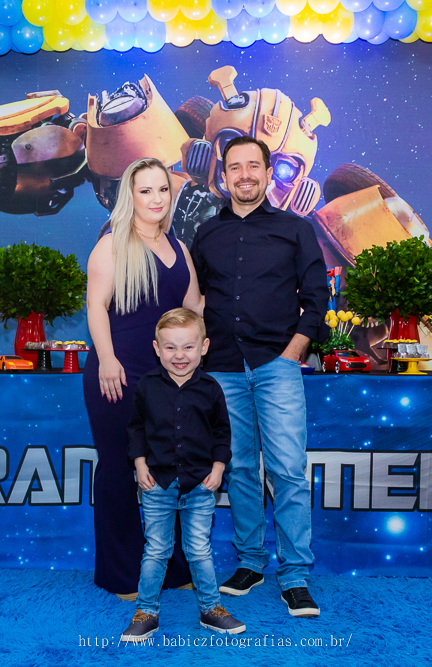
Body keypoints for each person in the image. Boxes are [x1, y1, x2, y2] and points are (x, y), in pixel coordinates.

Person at [189, 136, 329, 618]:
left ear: (269, 174)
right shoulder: (206, 235)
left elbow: (317, 298)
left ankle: (295, 575)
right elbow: (195, 301)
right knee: (242, 469)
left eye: (254, 166)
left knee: (288, 470)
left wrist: (293, 352)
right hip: (223, 368)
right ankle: (250, 562)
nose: (245, 175)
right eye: (235, 167)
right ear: (222, 176)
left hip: (278, 366)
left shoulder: (296, 230)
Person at [83, 158, 203, 597]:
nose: (155, 199)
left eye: (162, 190)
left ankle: (170, 570)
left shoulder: (179, 247)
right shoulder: (112, 245)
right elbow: (96, 307)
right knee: (118, 468)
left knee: (166, 472)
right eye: (146, 191)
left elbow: (193, 309)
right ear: (129, 196)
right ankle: (118, 575)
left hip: (166, 380)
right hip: (117, 373)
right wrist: (108, 358)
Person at [120, 308, 245, 642]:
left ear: (203, 347)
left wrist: (219, 468)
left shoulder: (211, 388)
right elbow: (135, 429)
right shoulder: (146, 386)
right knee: (157, 550)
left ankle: (211, 609)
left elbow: (222, 433)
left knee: (199, 550)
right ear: (157, 348)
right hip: (157, 484)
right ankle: (146, 611)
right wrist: (140, 463)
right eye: (171, 347)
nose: (179, 355)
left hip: (200, 485)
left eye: (188, 347)